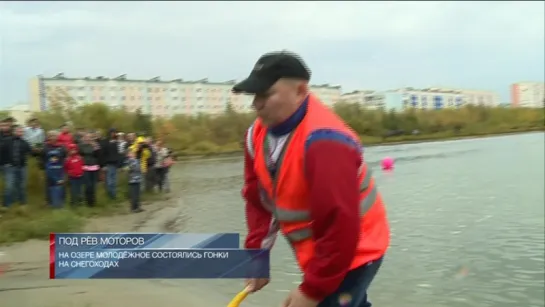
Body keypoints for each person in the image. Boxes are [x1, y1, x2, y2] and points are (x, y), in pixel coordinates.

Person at [234, 51, 390, 307]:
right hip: (322, 253)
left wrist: (312, 290)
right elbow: (258, 200)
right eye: (254, 96)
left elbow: (339, 225)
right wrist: (257, 257)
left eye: (266, 95)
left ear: (300, 90)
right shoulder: (256, 136)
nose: (256, 104)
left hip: (357, 250)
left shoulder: (326, 142)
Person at [6, 125, 32, 207]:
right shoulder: (7, 141)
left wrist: (38, 150)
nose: (21, 133)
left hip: (22, 167)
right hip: (10, 167)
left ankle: (23, 202)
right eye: (19, 131)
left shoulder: (25, 143)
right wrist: (5, 163)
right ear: (14, 132)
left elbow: (31, 153)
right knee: (10, 186)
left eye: (22, 132)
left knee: (22, 186)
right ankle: (7, 204)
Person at [78, 132, 101, 207]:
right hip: (86, 167)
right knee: (88, 185)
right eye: (86, 137)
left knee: (93, 185)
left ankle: (93, 202)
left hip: (94, 167)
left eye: (90, 137)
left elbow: (98, 155)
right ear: (84, 138)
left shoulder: (95, 145)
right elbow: (80, 154)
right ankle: (88, 201)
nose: (88, 138)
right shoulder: (81, 146)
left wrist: (95, 147)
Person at [101, 128, 122, 200]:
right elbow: (103, 154)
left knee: (114, 181)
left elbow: (118, 153)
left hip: (115, 164)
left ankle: (114, 196)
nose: (114, 134)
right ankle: (110, 195)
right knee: (109, 182)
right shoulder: (105, 141)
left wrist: (119, 164)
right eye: (112, 132)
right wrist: (103, 165)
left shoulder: (116, 142)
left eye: (115, 132)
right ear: (109, 133)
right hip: (108, 164)